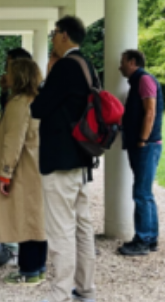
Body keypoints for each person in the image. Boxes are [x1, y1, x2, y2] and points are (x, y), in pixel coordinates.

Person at [31, 15, 98, 302]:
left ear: (64, 35)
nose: (52, 38)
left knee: (61, 231)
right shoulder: (88, 66)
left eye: (54, 33)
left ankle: (60, 294)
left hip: (60, 159)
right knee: (82, 227)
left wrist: (47, 76)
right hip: (82, 159)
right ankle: (85, 289)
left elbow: (38, 108)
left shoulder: (65, 67)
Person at [0, 58, 47, 287]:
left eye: (9, 72)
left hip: (23, 172)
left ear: (19, 76)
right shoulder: (36, 100)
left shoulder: (19, 103)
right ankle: (37, 268)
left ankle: (29, 270)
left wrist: (5, 173)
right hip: (35, 169)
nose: (6, 76)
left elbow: (13, 141)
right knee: (37, 220)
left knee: (26, 221)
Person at [117, 49, 164, 257]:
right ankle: (150, 238)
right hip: (144, 144)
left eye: (123, 62)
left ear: (133, 62)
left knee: (141, 194)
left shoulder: (143, 79)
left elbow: (150, 111)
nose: (120, 66)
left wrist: (143, 140)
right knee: (145, 193)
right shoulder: (138, 81)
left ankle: (143, 240)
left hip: (146, 144)